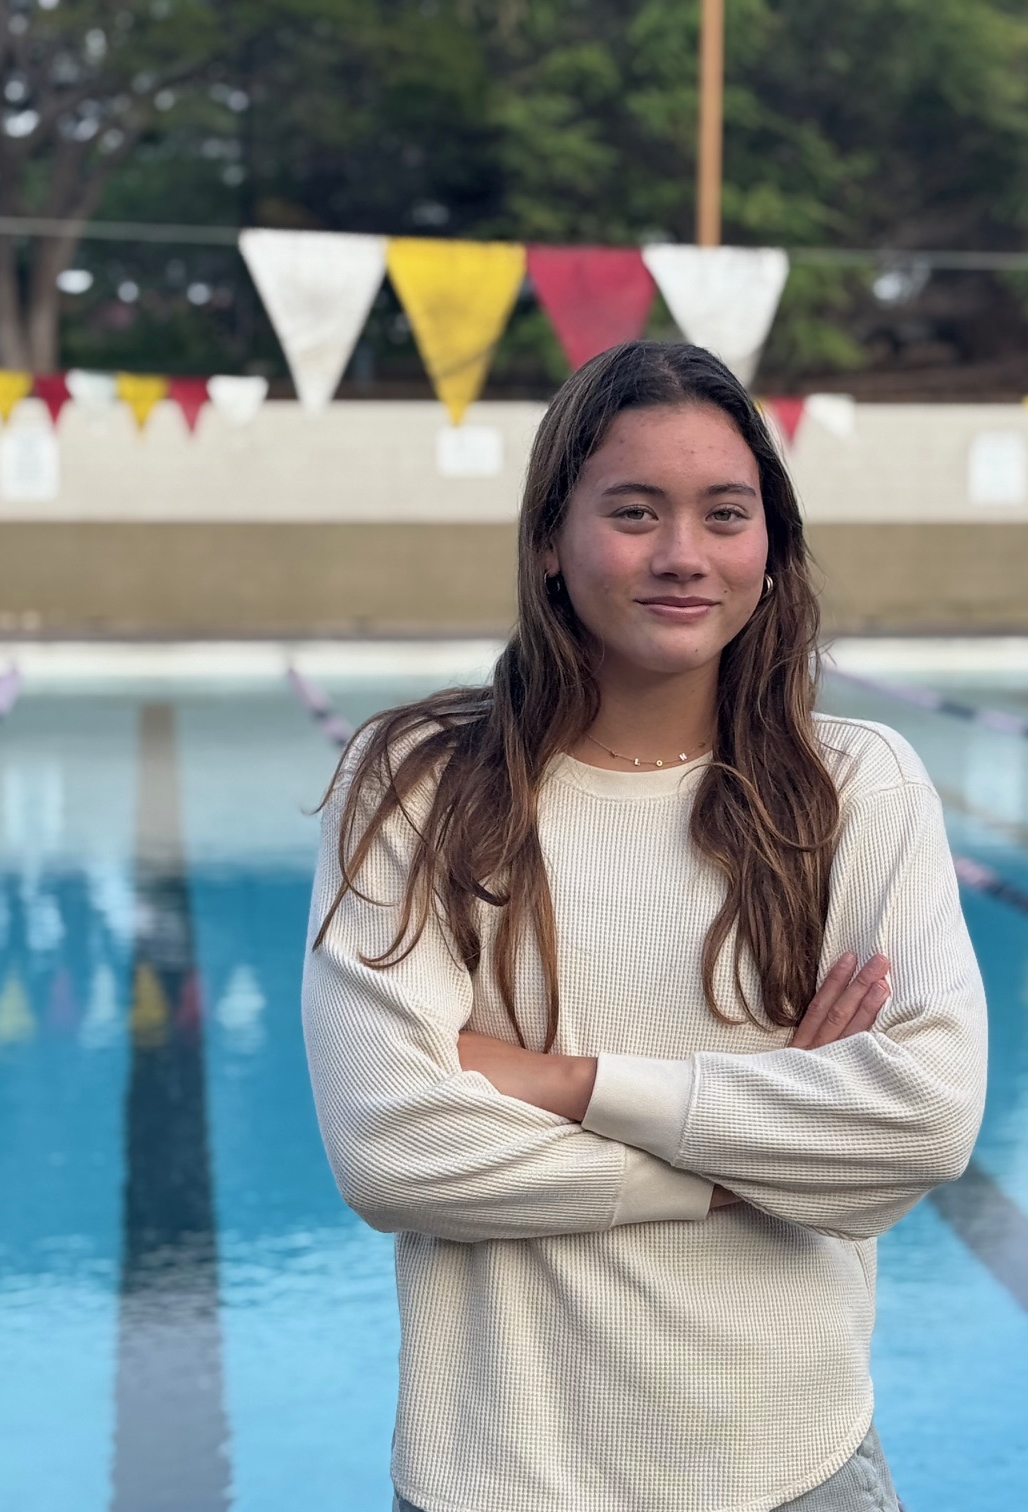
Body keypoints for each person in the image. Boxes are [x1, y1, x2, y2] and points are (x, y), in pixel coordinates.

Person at [302, 340, 987, 1512]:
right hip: (503, 1480)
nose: (683, 556)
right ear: (549, 544)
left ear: (770, 548)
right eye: (633, 512)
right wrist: (752, 1152)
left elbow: (921, 1124)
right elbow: (392, 1148)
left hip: (794, 1468)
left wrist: (561, 1082)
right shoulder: (416, 785)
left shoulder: (855, 789)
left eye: (725, 513)